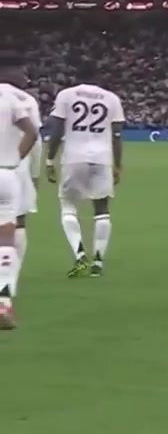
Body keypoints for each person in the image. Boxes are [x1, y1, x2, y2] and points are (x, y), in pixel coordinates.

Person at [45, 70, 126, 279]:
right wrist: (118, 165)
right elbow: (117, 135)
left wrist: (49, 159)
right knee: (102, 209)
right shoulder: (111, 98)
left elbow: (57, 129)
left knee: (68, 205)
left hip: (74, 157)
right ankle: (98, 261)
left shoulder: (66, 95)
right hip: (102, 158)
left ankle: (80, 253)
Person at [0, 56, 41, 330]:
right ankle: (3, 302)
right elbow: (32, 133)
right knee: (6, 237)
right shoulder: (18, 99)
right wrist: (17, 160)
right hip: (7, 172)